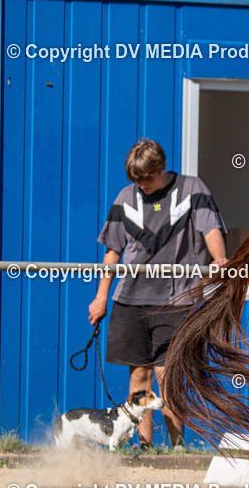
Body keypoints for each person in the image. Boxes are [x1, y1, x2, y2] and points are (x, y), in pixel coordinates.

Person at [88, 139, 227, 448]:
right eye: (136, 180)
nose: (142, 185)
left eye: (146, 179)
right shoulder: (126, 197)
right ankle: (144, 445)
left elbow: (211, 230)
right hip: (131, 299)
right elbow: (113, 252)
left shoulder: (192, 189)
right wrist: (100, 298)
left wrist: (219, 259)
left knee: (169, 374)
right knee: (139, 374)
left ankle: (177, 448)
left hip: (177, 299)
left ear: (162, 168)